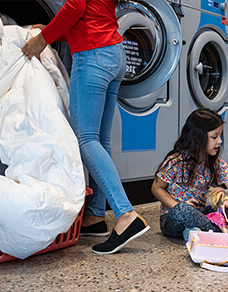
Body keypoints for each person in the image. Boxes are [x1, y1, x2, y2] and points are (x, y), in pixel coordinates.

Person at [22, 0, 149, 255]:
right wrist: (53, 29)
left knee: (85, 139)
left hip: (94, 56)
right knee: (99, 141)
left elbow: (76, 6)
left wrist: (43, 39)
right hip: (114, 52)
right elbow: (92, 15)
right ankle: (95, 216)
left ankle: (126, 214)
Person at [151, 108, 228, 241]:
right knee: (183, 209)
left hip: (202, 213)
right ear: (198, 137)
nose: (219, 141)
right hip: (174, 219)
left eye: (220, 136)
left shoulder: (216, 163)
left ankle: (202, 231)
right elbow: (156, 188)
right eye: (214, 137)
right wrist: (176, 205)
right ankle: (222, 231)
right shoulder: (176, 161)